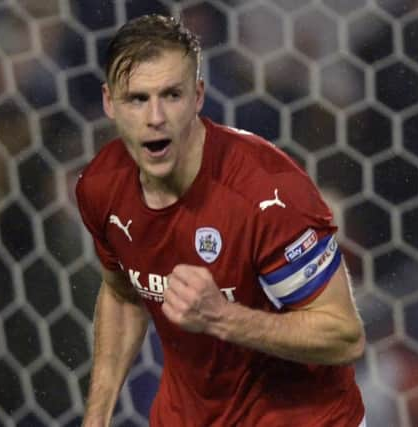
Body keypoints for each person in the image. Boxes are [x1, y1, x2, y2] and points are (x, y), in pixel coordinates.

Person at [76, 14, 366, 427]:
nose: (154, 116)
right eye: (137, 99)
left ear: (198, 96)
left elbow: (343, 336)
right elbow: (122, 297)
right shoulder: (101, 187)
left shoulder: (268, 194)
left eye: (171, 95)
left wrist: (222, 316)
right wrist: (96, 417)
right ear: (109, 103)